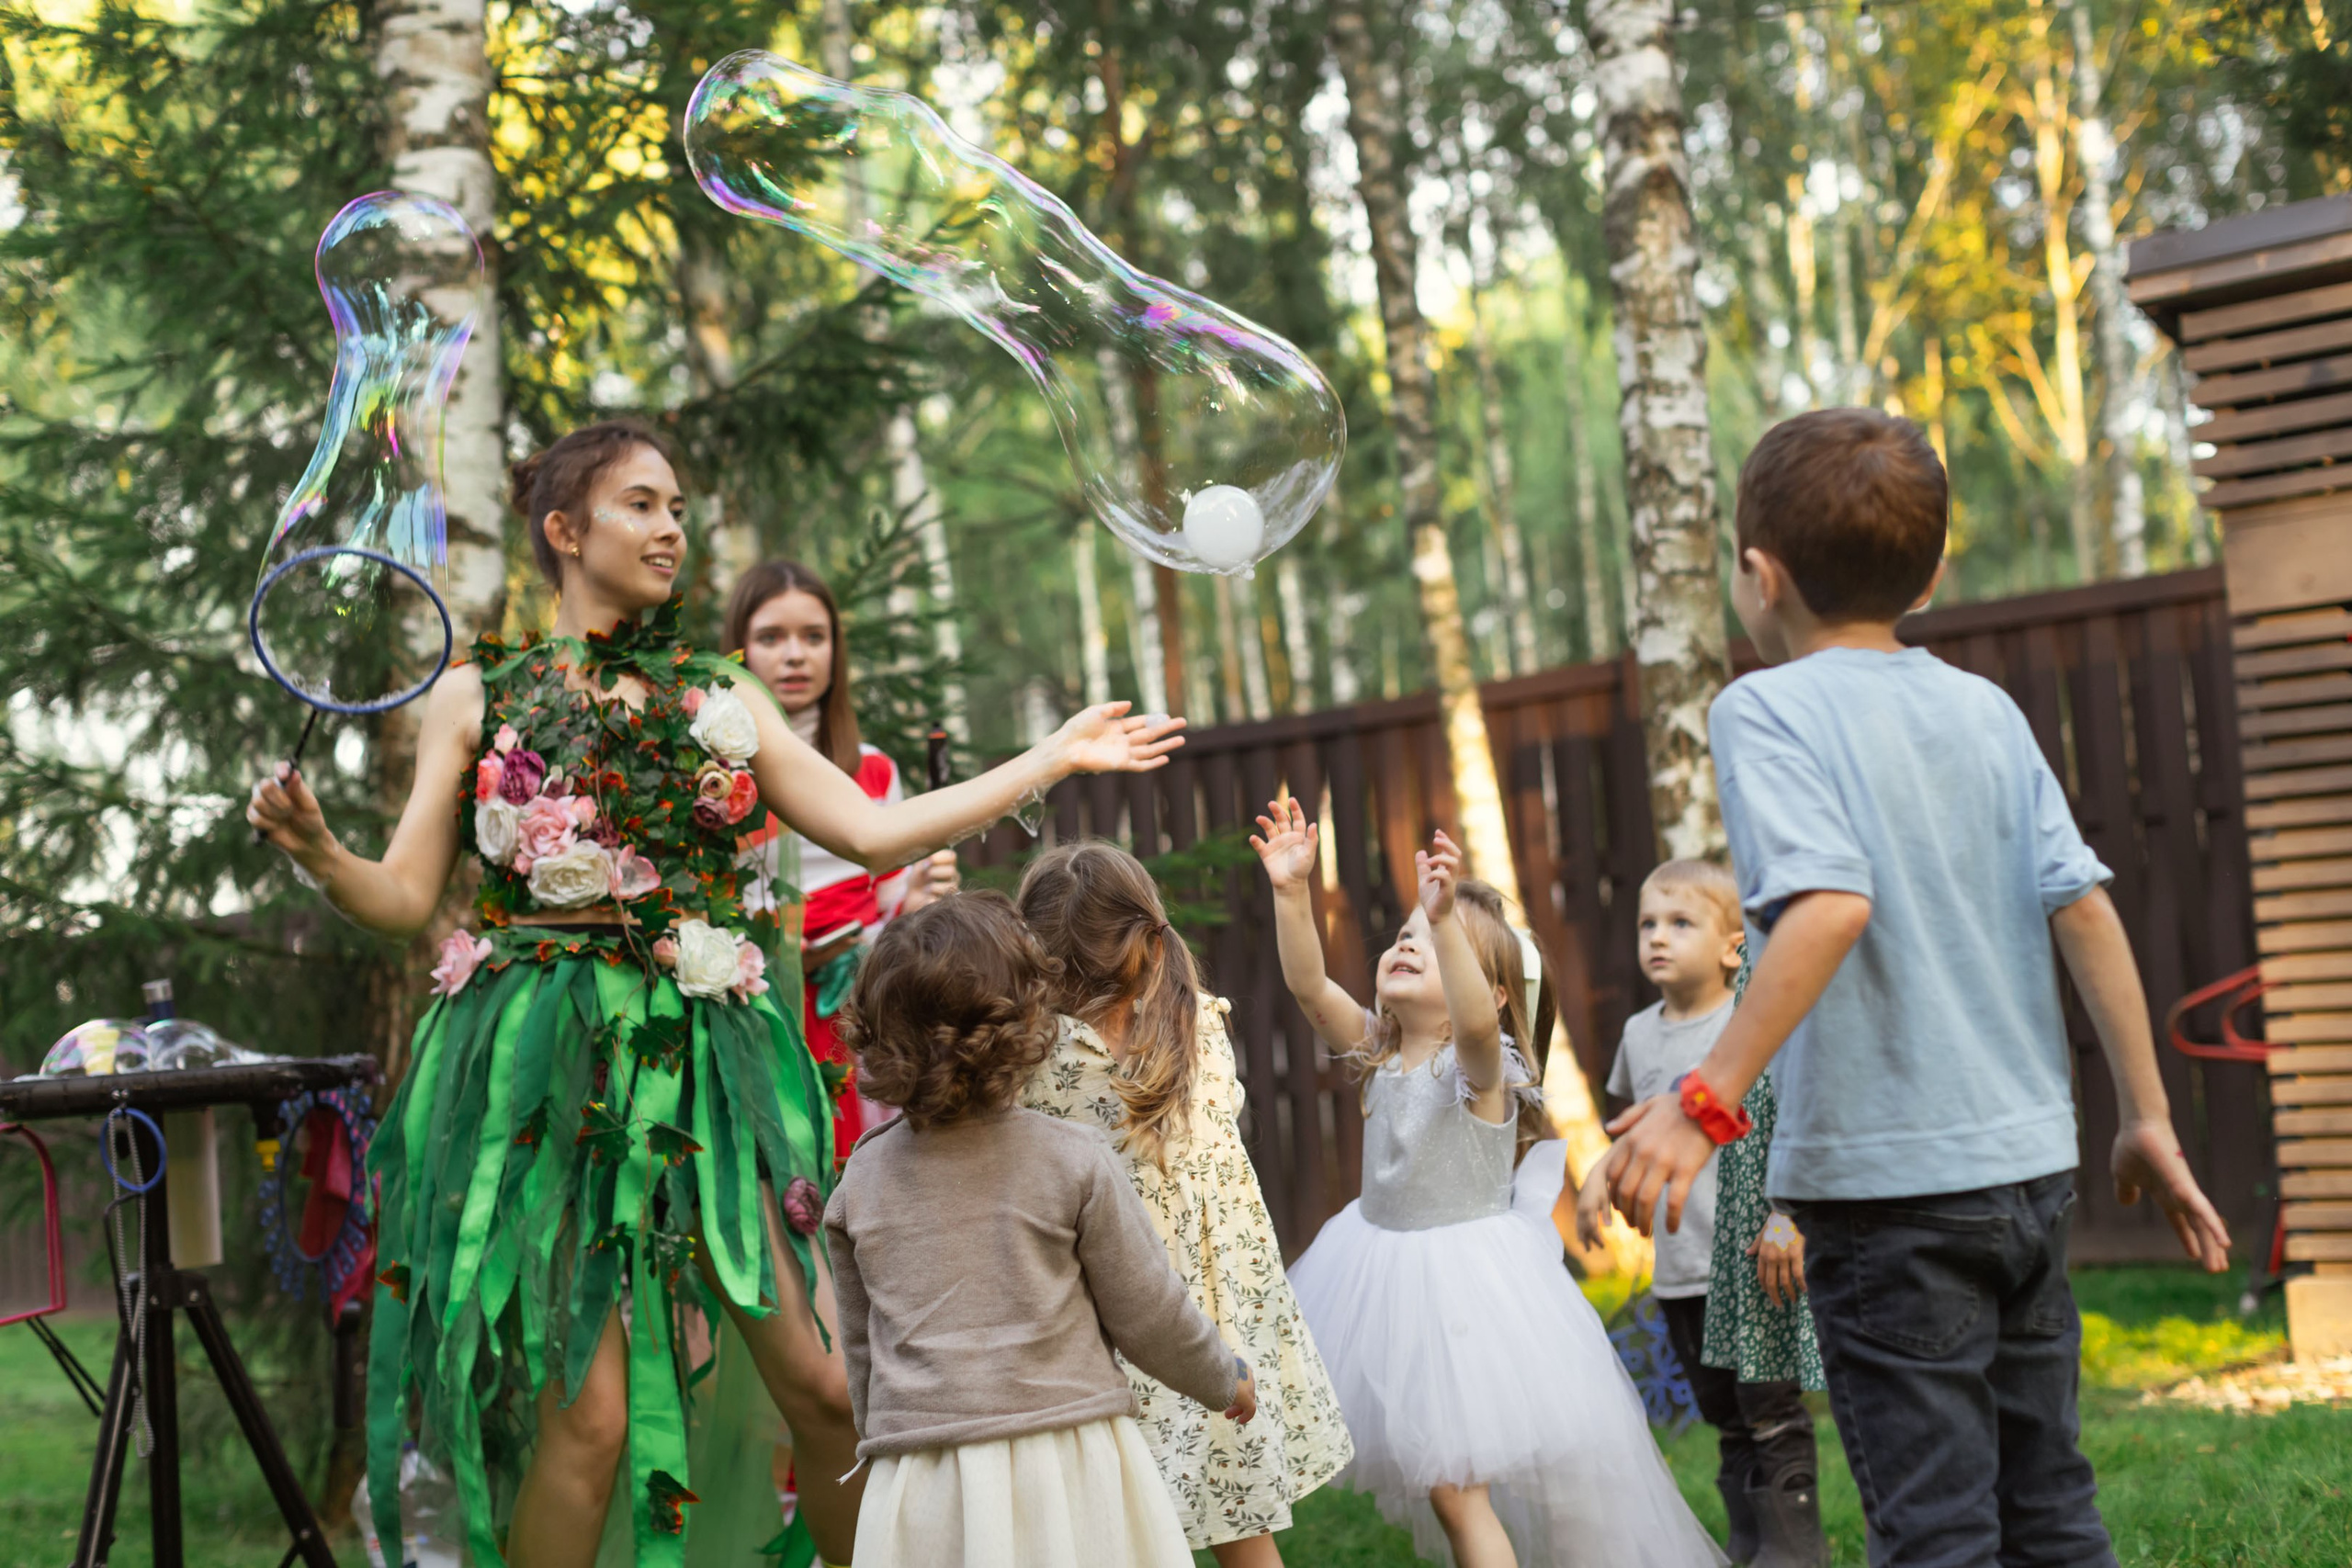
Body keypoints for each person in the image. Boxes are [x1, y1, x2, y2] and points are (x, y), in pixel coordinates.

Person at [245, 419, 1185, 1568]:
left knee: (827, 1389)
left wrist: (1048, 757)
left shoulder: (717, 694)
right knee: (586, 1424)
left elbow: (874, 829)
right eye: (642, 504)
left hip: (700, 1063)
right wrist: (315, 851)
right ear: (563, 528)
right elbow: (398, 897)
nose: (671, 529)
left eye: (678, 509)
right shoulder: (471, 698)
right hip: (541, 1072)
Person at [1601, 407, 2234, 1568]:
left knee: (1937, 1530)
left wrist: (1707, 1102)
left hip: (1889, 1199)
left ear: (1757, 575)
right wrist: (2145, 1117)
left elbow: (1830, 905)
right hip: (2027, 1173)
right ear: (1933, 573)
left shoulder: (1762, 707)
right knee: (2050, 1507)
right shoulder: (1981, 707)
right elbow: (2083, 905)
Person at [1254, 802, 1726, 1568]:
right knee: (1453, 1488)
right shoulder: (1380, 1053)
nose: (1409, 944)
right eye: (1405, 935)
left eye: (1433, 945)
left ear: (1496, 995)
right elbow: (1312, 988)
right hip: (1386, 1278)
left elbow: (1473, 1025)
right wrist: (1290, 893)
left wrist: (1445, 918)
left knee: (1496, 1487)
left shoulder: (1480, 1072)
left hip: (1470, 1297)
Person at [824, 892, 1256, 1568]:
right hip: (1066, 1459)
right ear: (1027, 1022)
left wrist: (881, 1435)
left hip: (925, 1475)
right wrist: (1221, 1377)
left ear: (875, 1035)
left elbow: (862, 1345)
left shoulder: (864, 1176)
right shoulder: (1071, 1157)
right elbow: (1147, 1310)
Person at [1013, 841, 1352, 1564]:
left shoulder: (1041, 1054)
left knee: (1115, 1519)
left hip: (1108, 1312)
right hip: (1213, 1308)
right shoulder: (1195, 1024)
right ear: (1149, 939)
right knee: (1239, 1522)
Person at [1576, 861, 1826, 1568]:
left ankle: (1795, 1548)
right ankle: (1751, 1537)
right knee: (1724, 1413)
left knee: (1769, 1407)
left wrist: (1787, 1215)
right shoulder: (1638, 1035)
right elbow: (1632, 1128)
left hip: (1754, 1261)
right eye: (1648, 924)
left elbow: (1791, 1126)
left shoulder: (1749, 1025)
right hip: (1682, 1269)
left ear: (1731, 946)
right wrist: (1599, 1177)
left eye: (1681, 923)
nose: (1658, 937)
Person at [724, 558, 958, 1152]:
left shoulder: (873, 768)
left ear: (836, 650)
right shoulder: (717, 782)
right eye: (771, 637)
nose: (795, 655)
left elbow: (894, 910)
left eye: (814, 636)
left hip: (861, 1016)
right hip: (754, 1017)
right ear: (738, 651)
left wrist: (923, 898)